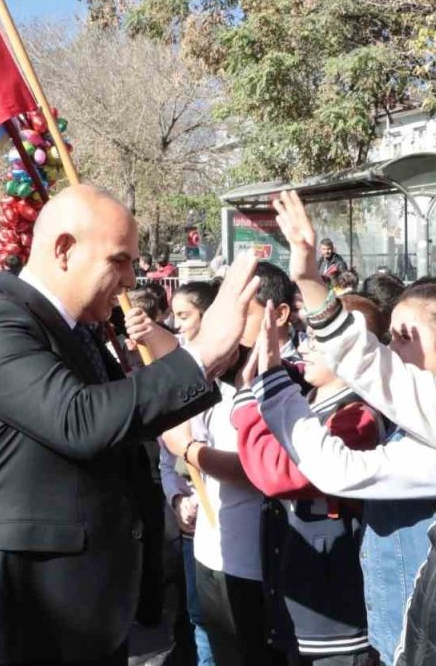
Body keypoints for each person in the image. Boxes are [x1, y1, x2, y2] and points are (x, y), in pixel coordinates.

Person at [0, 184, 261, 666]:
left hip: (86, 612)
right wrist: (201, 354)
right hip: (23, 616)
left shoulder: (74, 328)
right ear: (64, 249)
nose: (130, 279)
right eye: (119, 260)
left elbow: (127, 424)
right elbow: (83, 419)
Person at [269, 189, 436, 664]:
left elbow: (337, 469)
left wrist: (272, 390)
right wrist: (311, 280)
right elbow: (375, 368)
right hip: (412, 638)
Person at [236, 278, 436, 659]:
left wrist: (269, 384)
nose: (388, 350)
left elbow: (335, 469)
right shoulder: (429, 419)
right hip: (396, 627)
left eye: (403, 338)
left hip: (417, 635)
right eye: (388, 337)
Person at [154, 262, 297, 666]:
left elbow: (259, 469)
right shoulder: (222, 376)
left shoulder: (291, 379)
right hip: (212, 551)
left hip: (256, 566)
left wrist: (190, 452)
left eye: (242, 313)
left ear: (280, 314)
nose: (228, 326)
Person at [162, 280, 222, 666]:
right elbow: (167, 458)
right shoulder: (171, 374)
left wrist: (192, 450)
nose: (177, 324)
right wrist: (177, 497)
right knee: (198, 617)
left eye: (184, 316)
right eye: (174, 316)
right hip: (191, 523)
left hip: (229, 523)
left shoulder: (233, 376)